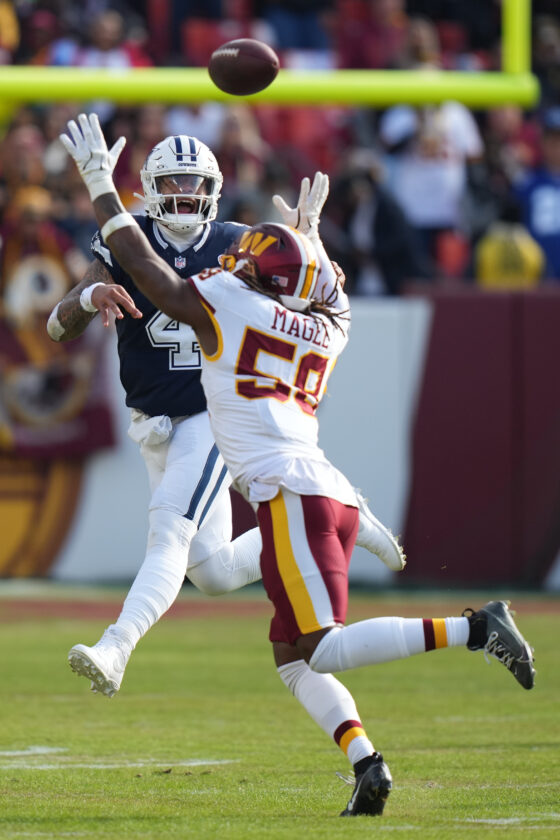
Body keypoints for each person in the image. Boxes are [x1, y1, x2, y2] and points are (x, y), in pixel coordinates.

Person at [59, 113, 536, 818]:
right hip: (310, 490)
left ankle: (475, 627)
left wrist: (100, 184)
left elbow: (156, 275)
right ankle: (367, 765)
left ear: (258, 280)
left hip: (291, 495)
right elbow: (321, 282)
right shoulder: (331, 324)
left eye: (250, 262)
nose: (238, 263)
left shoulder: (230, 308)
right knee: (287, 652)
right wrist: (306, 237)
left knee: (324, 647)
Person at [48, 127, 405, 699]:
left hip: (214, 413)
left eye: (195, 183)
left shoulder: (240, 245)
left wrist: (311, 243)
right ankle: (341, 517)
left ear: (214, 188)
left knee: (169, 529)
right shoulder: (125, 242)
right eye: (173, 182)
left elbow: (315, 286)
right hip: (155, 423)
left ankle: (116, 647)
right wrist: (91, 297)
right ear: (151, 187)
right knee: (212, 571)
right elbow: (57, 325)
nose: (185, 194)